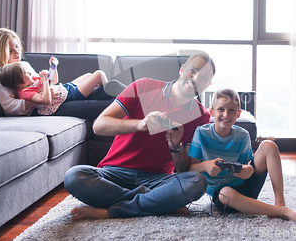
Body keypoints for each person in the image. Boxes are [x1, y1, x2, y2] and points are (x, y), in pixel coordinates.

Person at [63, 52, 216, 221]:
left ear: (207, 85)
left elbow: (183, 170)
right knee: (74, 177)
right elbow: (99, 126)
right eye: (192, 71)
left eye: (202, 77)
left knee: (196, 181)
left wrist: (175, 146)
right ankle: (156, 201)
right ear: (181, 69)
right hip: (114, 173)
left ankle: (112, 211)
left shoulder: (202, 116)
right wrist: (140, 124)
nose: (195, 78)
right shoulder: (142, 86)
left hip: (157, 179)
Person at [188, 88, 296, 225]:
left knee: (269, 145)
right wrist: (206, 165)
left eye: (232, 110)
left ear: (238, 114)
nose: (226, 114)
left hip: (245, 185)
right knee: (226, 192)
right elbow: (191, 168)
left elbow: (246, 164)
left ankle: (280, 203)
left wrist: (248, 169)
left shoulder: (243, 135)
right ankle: (282, 212)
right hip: (222, 195)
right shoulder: (201, 133)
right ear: (211, 112)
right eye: (221, 109)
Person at [0, 27, 123, 119]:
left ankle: (135, 94)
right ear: (1, 52)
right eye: (10, 50)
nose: (17, 52)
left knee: (106, 87)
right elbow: (8, 107)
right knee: (107, 103)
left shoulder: (23, 64)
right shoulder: (3, 73)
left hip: (57, 95)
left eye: (17, 46)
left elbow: (45, 83)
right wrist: (39, 98)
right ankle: (135, 101)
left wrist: (49, 79)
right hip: (47, 108)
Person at [0, 59, 108, 115]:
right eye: (25, 73)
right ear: (18, 82)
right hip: (71, 96)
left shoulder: (32, 81)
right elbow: (45, 100)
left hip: (65, 88)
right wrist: (44, 82)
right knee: (99, 74)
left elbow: (54, 81)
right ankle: (109, 94)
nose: (29, 73)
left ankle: (104, 92)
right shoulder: (26, 92)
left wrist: (53, 67)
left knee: (89, 75)